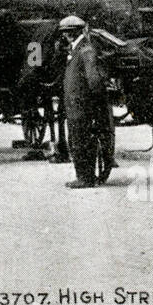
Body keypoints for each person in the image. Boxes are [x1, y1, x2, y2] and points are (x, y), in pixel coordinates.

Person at [58, 15, 114, 188]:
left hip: (81, 107)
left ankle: (85, 178)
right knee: (76, 140)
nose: (64, 37)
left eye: (66, 33)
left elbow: (94, 80)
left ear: (71, 33)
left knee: (80, 141)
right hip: (76, 106)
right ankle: (82, 176)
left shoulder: (85, 51)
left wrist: (93, 104)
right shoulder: (78, 49)